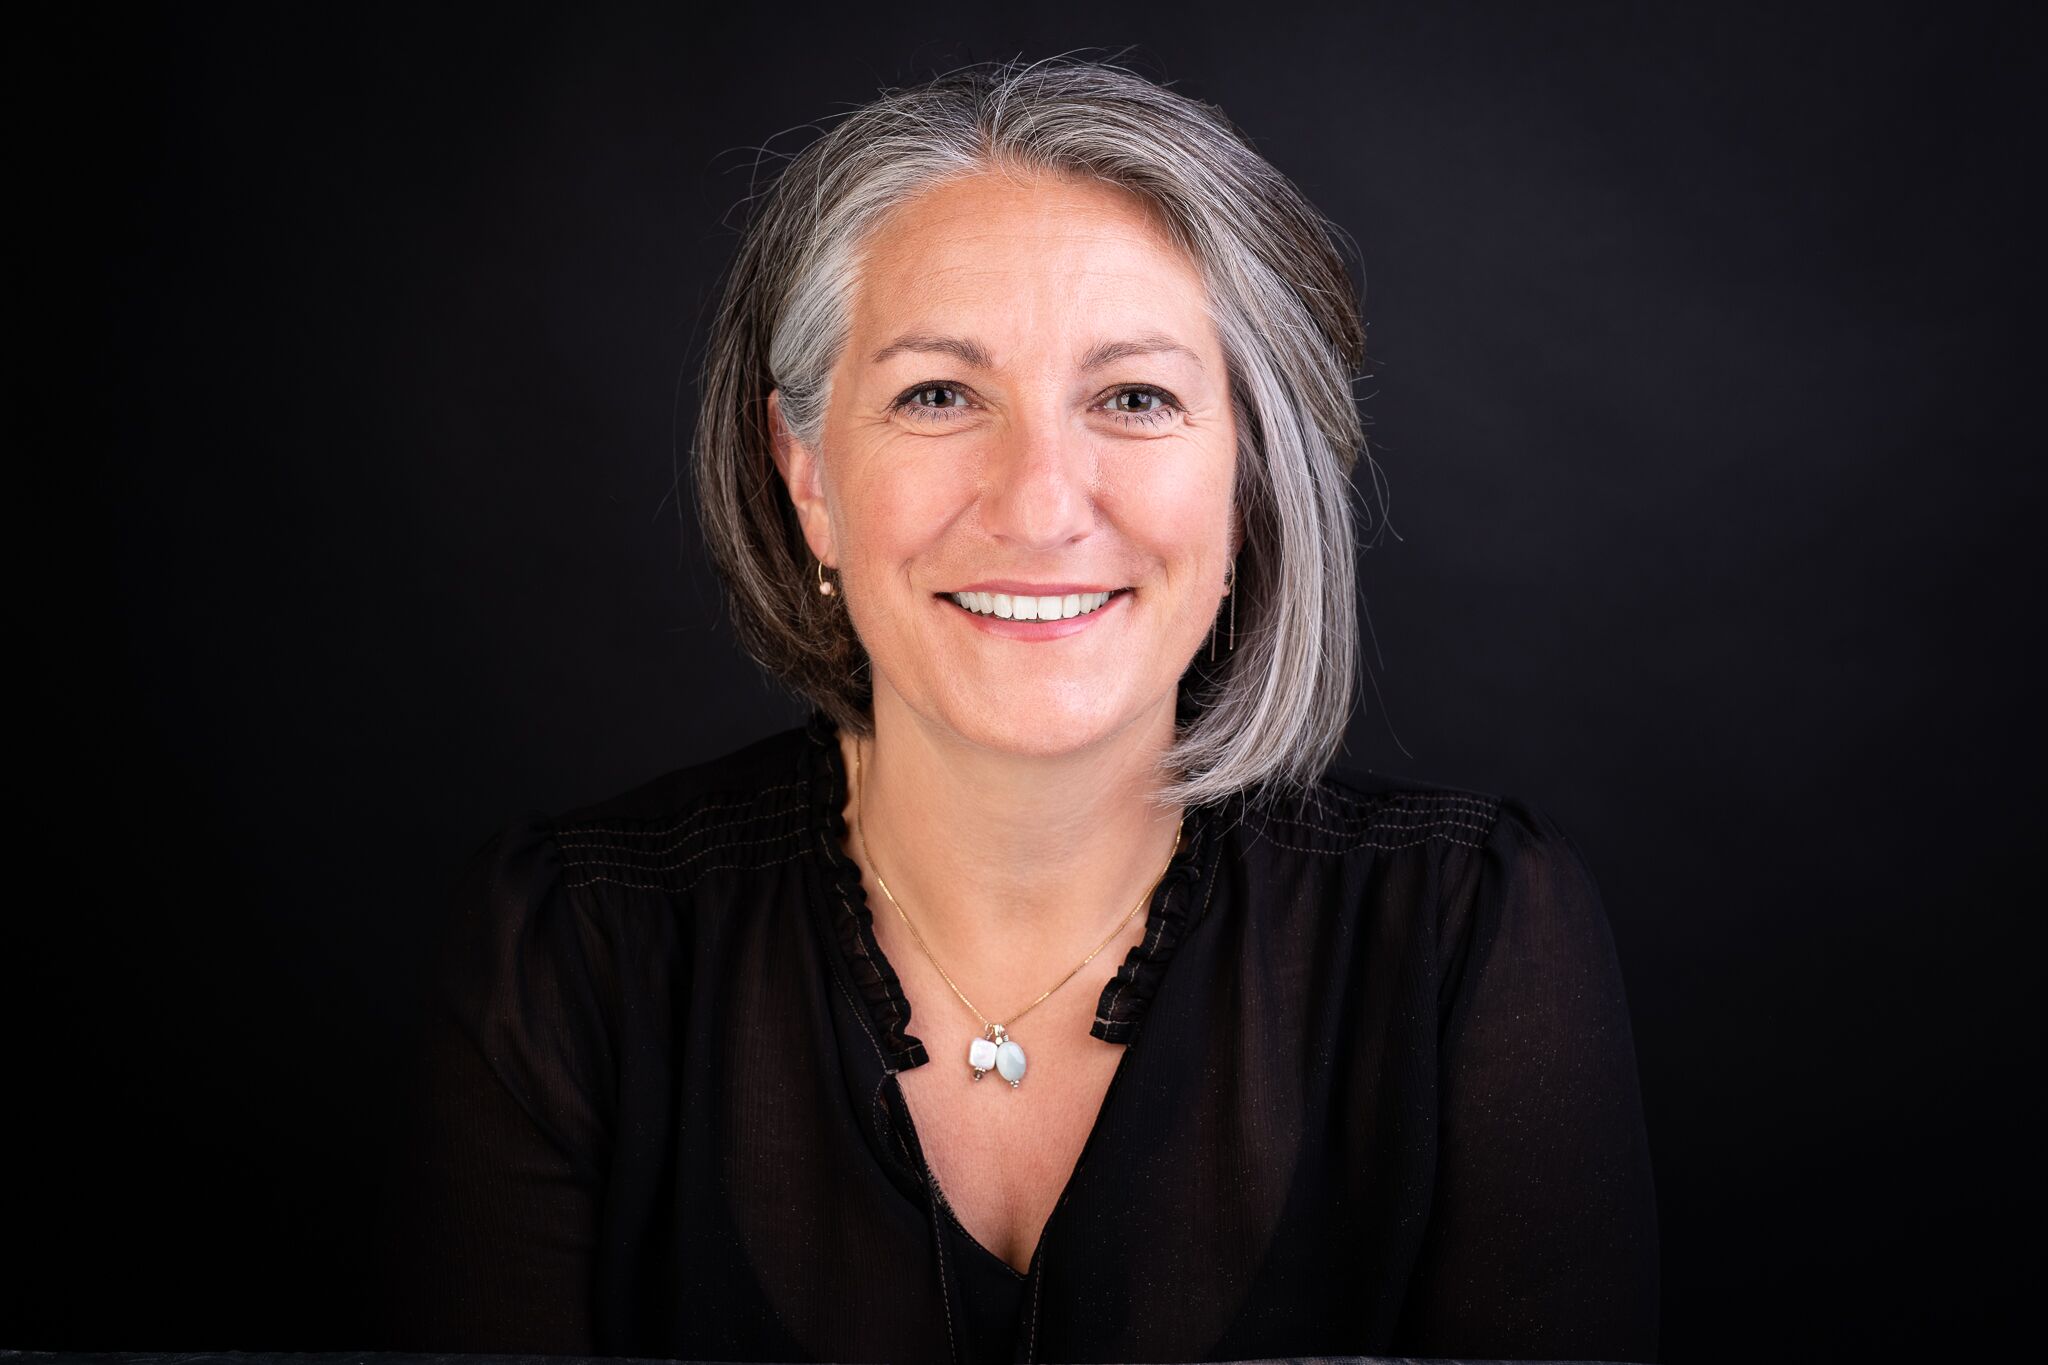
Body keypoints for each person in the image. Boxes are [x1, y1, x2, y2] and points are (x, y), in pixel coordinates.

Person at [381, 58, 1660, 1364]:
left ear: (1248, 478)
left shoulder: (1472, 945)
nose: (1042, 503)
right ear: (806, 472)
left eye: (1135, 397)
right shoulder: (570, 957)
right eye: (940, 394)